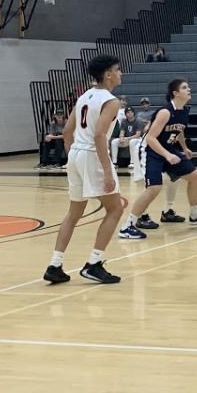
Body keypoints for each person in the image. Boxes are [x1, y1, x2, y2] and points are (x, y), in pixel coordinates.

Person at [43, 55, 129, 284]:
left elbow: (68, 131)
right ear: (108, 74)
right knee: (115, 209)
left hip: (77, 155)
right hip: (92, 154)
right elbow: (100, 134)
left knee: (74, 213)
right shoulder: (111, 101)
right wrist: (108, 171)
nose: (121, 73)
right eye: (118, 70)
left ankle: (55, 264)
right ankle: (94, 263)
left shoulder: (83, 96)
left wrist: (74, 154)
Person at [118, 79, 197, 237]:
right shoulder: (165, 112)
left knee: (195, 177)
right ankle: (128, 225)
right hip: (151, 151)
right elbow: (151, 138)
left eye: (188, 87)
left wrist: (185, 148)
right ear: (176, 93)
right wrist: (167, 155)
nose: (189, 89)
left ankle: (195, 214)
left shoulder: (184, 110)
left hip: (168, 149)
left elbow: (179, 130)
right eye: (185, 87)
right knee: (154, 187)